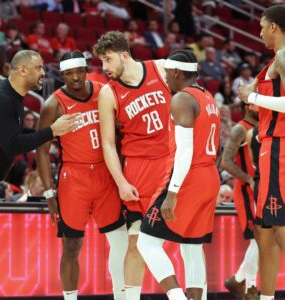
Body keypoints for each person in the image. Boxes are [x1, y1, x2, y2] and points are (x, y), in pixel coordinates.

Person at [0, 49, 81, 300]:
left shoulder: (14, 97)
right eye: (38, 68)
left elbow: (17, 138)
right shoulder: (0, 99)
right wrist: (51, 131)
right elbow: (12, 145)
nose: (43, 73)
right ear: (21, 70)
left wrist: (53, 133)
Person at [36, 50, 128, 300]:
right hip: (73, 179)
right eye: (68, 73)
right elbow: (41, 152)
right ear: (62, 75)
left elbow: (122, 133)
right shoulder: (53, 104)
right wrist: (48, 194)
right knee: (71, 246)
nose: (75, 77)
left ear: (86, 70)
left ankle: (122, 296)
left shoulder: (105, 91)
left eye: (79, 71)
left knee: (120, 242)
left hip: (106, 175)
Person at [93, 31, 172, 300]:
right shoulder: (108, 92)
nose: (104, 67)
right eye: (102, 61)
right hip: (138, 170)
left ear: (125, 55)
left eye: (108, 59)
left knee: (186, 241)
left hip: (170, 164)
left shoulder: (161, 68)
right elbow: (107, 144)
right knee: (136, 241)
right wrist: (122, 182)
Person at [137, 49, 220, 300]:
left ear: (175, 72)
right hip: (210, 175)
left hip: (189, 177)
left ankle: (177, 298)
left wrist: (172, 193)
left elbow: (185, 151)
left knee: (146, 242)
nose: (165, 78)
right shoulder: (209, 97)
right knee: (192, 248)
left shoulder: (182, 99)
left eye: (166, 74)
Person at [237, 5, 285, 300]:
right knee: (264, 232)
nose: (259, 31)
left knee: (279, 228)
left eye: (261, 26)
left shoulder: (282, 56)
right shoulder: (273, 61)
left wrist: (251, 96)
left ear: (275, 28)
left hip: (279, 146)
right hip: (269, 146)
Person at [221, 103, 259, 300]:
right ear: (247, 106)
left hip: (262, 191)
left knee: (261, 240)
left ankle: (242, 283)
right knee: (259, 239)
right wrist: (249, 179)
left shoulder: (265, 126)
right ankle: (246, 285)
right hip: (246, 191)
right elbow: (225, 162)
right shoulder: (240, 128)